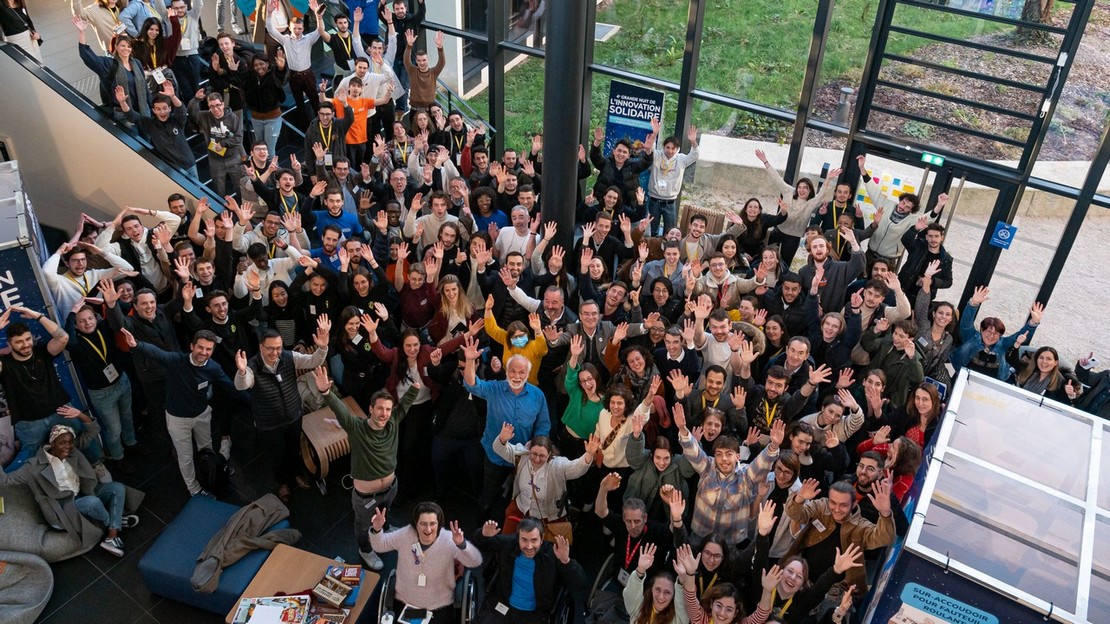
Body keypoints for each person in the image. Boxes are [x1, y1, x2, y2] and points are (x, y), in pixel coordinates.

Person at [121, 328, 242, 498]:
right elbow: (157, 353)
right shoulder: (177, 360)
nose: (204, 352)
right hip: (178, 419)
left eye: (208, 349)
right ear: (192, 346)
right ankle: (194, 489)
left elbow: (231, 387)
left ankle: (211, 475)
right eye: (200, 347)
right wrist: (136, 345)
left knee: (206, 448)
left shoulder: (213, 368)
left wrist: (254, 398)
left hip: (201, 415)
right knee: (185, 457)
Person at [0, 423, 138, 557]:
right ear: (52, 443)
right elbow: (6, 481)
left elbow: (93, 431)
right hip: (63, 506)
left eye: (70, 442)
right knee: (93, 503)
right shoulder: (33, 466)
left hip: (82, 493)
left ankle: (112, 535)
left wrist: (80, 415)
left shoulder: (72, 450)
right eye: (62, 443)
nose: (67, 446)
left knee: (117, 488)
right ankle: (114, 523)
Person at [0, 307, 108, 472]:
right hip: (29, 423)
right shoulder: (5, 363)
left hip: (61, 410)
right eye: (19, 342)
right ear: (10, 343)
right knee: (34, 459)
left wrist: (38, 316)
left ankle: (97, 466)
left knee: (80, 439)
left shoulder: (42, 352)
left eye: (28, 339)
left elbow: (63, 337)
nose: (25, 345)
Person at [234, 320, 331, 502]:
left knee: (293, 449)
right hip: (268, 425)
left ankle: (296, 474)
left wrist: (323, 347)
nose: (275, 353)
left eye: (278, 348)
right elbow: (242, 385)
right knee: (276, 456)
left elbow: (313, 360)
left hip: (293, 417)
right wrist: (241, 371)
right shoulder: (252, 366)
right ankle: (283, 483)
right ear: (261, 347)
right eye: (270, 348)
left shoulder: (287, 356)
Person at [461, 336, 552, 519]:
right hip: (495, 456)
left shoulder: (537, 395)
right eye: (512, 371)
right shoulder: (495, 389)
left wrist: (534, 445)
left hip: (523, 459)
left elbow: (543, 425)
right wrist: (470, 360)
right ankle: (481, 530)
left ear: (527, 374)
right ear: (506, 371)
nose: (516, 376)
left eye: (521, 373)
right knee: (488, 496)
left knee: (516, 499)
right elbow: (472, 385)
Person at [674, 402, 785, 545]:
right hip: (700, 536)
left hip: (729, 543)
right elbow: (692, 451)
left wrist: (774, 445)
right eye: (719, 454)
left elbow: (762, 463)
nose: (723, 459)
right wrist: (683, 429)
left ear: (738, 456)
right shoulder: (708, 467)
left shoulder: (746, 475)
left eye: (728, 454)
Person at [747, 501, 865, 624]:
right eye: (790, 571)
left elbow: (819, 588)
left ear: (803, 585)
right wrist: (762, 534)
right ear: (780, 571)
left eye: (799, 577)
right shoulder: (765, 584)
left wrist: (836, 570)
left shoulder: (802, 602)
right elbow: (759, 563)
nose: (792, 578)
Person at [370, 503, 483, 624]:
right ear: (416, 524)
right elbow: (379, 545)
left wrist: (462, 545)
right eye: (423, 524)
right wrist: (376, 529)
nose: (428, 530)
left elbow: (475, 561)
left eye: (433, 524)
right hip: (406, 601)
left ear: (439, 524)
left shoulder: (449, 540)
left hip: (439, 606)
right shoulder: (405, 535)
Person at [783, 479, 896, 594]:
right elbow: (796, 514)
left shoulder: (861, 527)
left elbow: (885, 538)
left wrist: (885, 513)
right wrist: (800, 498)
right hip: (801, 578)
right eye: (833, 503)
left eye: (843, 505)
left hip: (834, 591)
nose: (837, 509)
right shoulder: (821, 506)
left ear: (854, 504)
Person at [65, 300, 139, 473]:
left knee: (128, 417)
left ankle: (132, 443)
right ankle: (118, 456)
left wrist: (106, 301)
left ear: (95, 318)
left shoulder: (103, 329)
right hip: (102, 394)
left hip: (122, 381)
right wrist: (70, 314)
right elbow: (67, 335)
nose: (87, 323)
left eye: (90, 318)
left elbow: (115, 313)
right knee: (114, 429)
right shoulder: (76, 344)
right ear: (76, 325)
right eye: (81, 321)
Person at [474, 518, 586, 624]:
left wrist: (566, 561)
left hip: (534, 613)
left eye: (534, 540)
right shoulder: (510, 543)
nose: (529, 546)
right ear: (518, 538)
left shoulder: (552, 553)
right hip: (503, 603)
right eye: (524, 540)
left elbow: (580, 583)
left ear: (542, 539)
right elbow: (482, 544)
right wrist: (483, 534)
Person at [493, 423, 598, 534]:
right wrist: (502, 439)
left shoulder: (557, 465)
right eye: (534, 454)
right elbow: (500, 449)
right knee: (506, 541)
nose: (537, 459)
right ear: (529, 450)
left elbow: (577, 468)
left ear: (549, 455)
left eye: (542, 456)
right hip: (521, 509)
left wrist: (589, 454)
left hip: (547, 517)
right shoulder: (522, 456)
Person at [855, 154, 947, 270]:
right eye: (903, 203)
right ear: (900, 201)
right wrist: (862, 168)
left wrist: (939, 205)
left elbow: (929, 218)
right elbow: (872, 189)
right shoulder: (886, 205)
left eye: (908, 207)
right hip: (870, 254)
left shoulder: (911, 219)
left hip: (888, 260)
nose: (903, 207)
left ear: (911, 210)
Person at [754, 149, 843, 267]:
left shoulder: (810, 203)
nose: (801, 190)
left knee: (785, 264)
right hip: (779, 231)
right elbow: (777, 178)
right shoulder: (788, 192)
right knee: (769, 258)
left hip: (794, 237)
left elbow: (821, 194)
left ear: (810, 190)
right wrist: (765, 161)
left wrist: (828, 179)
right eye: (799, 187)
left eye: (805, 187)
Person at [949, 285, 1043, 381]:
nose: (991, 336)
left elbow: (1021, 336)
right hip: (962, 379)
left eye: (996, 333)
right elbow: (966, 323)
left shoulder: (1003, 344)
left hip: (991, 386)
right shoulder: (971, 337)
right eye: (989, 331)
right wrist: (973, 303)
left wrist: (1033, 323)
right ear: (981, 329)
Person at [673, 543, 774, 624]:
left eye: (729, 609)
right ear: (712, 604)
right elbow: (690, 598)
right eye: (719, 605)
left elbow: (761, 615)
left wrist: (767, 590)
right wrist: (690, 573)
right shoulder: (701, 620)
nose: (722, 613)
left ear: (735, 613)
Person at [265, 0, 323, 129]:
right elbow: (270, 29)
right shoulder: (285, 40)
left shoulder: (308, 39)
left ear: (303, 28)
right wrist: (268, 14)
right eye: (295, 28)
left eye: (300, 28)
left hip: (307, 74)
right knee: (299, 103)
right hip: (293, 76)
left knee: (315, 100)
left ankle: (322, 124)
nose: (297, 31)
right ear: (290, 28)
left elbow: (320, 30)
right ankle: (306, 128)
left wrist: (317, 15)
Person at [43, 241, 134, 315]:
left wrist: (100, 252)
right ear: (67, 263)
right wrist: (59, 251)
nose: (81, 264)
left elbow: (128, 269)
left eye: (83, 259)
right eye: (75, 260)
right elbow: (47, 272)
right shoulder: (59, 281)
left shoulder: (94, 275)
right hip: (73, 327)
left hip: (97, 323)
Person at [647, 125, 699, 236]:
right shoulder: (657, 155)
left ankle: (667, 251)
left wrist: (693, 142)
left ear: (677, 149)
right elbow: (649, 149)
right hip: (654, 200)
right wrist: (655, 134)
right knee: (652, 230)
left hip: (670, 202)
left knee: (670, 232)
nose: (670, 151)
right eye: (668, 147)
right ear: (664, 147)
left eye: (673, 148)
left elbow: (694, 155)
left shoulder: (681, 159)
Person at [590, 123, 655, 209]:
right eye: (619, 151)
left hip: (626, 208)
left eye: (624, 152)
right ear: (614, 151)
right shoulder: (606, 163)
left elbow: (646, 162)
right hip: (604, 206)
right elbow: (595, 157)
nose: (621, 154)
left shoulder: (633, 167)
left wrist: (648, 149)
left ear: (628, 155)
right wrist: (597, 142)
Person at [859, 319, 924, 405]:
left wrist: (912, 358)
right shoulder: (887, 341)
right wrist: (876, 330)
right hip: (868, 387)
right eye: (895, 333)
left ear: (910, 339)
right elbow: (867, 346)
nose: (896, 338)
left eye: (901, 336)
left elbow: (917, 379)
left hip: (888, 401)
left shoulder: (914, 357)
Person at [913, 262, 957, 386]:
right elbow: (922, 304)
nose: (943, 317)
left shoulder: (948, 339)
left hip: (925, 380)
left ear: (951, 319)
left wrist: (946, 383)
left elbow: (941, 364)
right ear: (934, 314)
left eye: (947, 314)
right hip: (908, 372)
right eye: (940, 313)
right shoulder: (923, 325)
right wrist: (927, 277)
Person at [623, 544, 686, 624]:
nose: (661, 596)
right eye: (657, 589)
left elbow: (682, 602)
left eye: (667, 592)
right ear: (651, 589)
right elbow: (630, 594)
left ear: (674, 595)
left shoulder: (678, 619)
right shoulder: (638, 607)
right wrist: (640, 570)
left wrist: (682, 578)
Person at [897, 218, 953, 302]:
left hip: (924, 297)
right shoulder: (919, 246)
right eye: (930, 236)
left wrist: (931, 281)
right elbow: (905, 240)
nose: (933, 239)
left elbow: (948, 282)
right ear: (926, 237)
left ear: (942, 238)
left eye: (936, 236)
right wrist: (915, 229)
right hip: (904, 290)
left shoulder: (946, 259)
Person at [403, 29, 446, 112]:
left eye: (424, 60)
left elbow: (442, 62)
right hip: (415, 110)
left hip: (430, 110)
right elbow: (406, 60)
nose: (422, 63)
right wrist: (409, 46)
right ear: (416, 61)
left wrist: (440, 48)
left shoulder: (433, 72)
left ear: (427, 60)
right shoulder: (413, 71)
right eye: (419, 60)